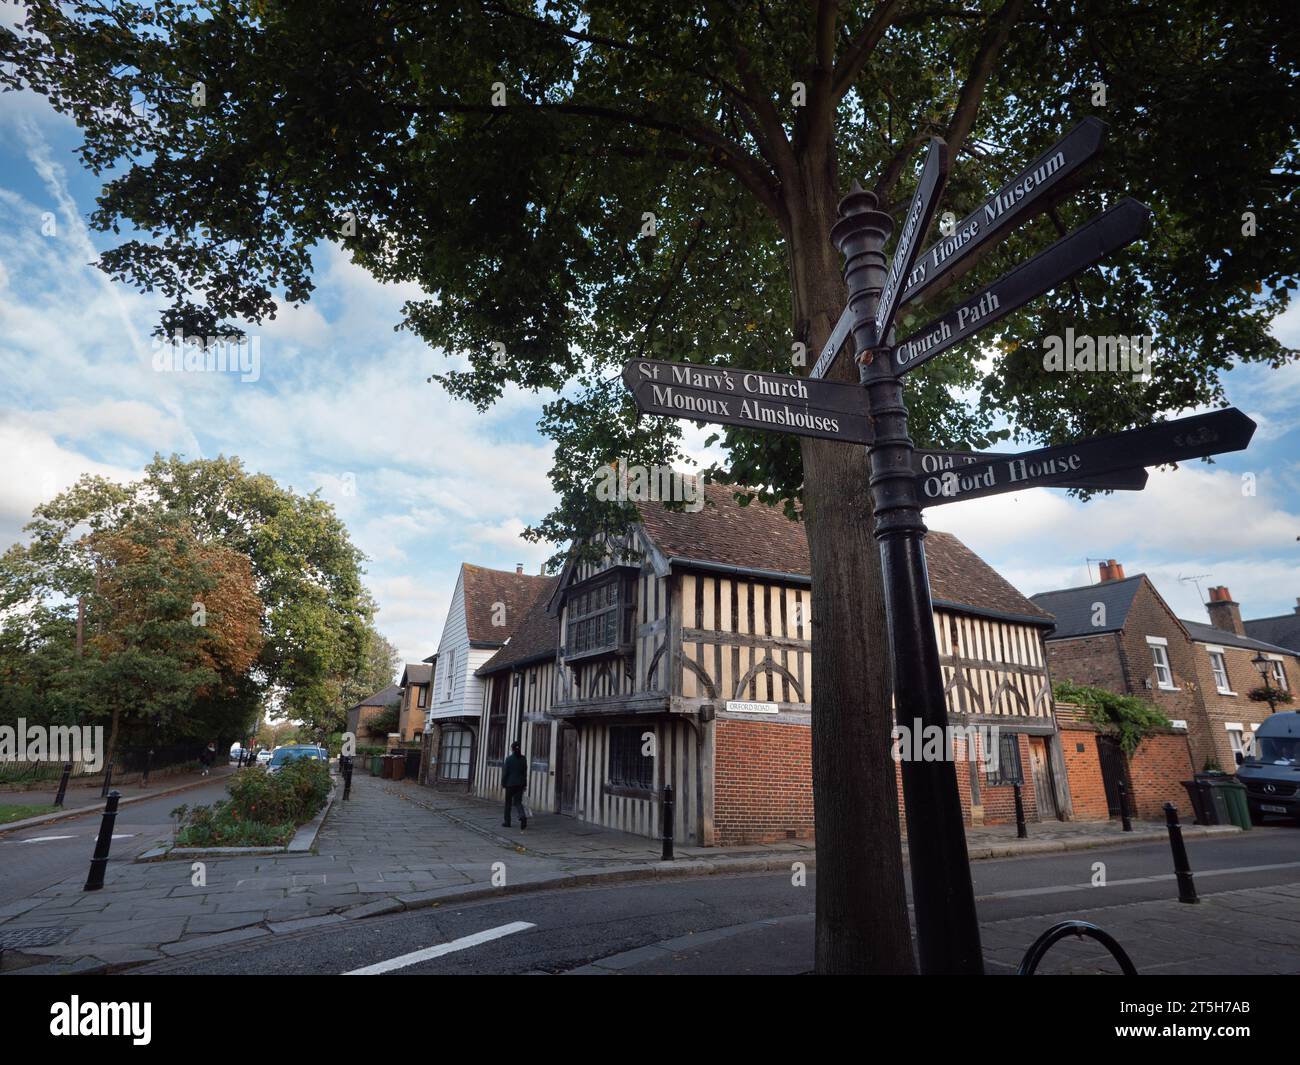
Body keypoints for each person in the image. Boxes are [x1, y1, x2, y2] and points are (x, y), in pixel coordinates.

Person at [501, 741, 528, 829]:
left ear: (512, 749)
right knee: (518, 802)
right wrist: (524, 784)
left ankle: (507, 822)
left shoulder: (509, 759)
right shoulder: (523, 759)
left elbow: (505, 773)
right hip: (520, 784)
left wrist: (503, 783)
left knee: (508, 803)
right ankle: (522, 816)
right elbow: (524, 773)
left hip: (510, 784)